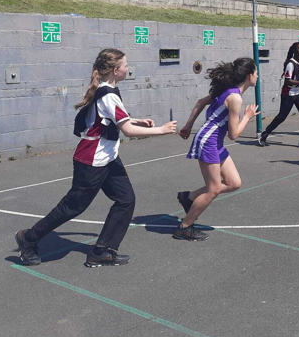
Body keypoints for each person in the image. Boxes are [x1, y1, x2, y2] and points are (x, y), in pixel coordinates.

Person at [15, 48, 178, 267]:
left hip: (108, 158)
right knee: (73, 207)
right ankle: (28, 238)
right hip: (92, 160)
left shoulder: (106, 89)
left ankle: (101, 251)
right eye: (126, 65)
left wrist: (135, 120)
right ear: (115, 70)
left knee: (126, 200)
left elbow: (105, 118)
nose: (128, 68)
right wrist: (161, 130)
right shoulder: (108, 94)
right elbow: (127, 130)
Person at [175, 58, 259, 241]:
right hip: (208, 142)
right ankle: (184, 226)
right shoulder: (235, 97)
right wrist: (247, 116)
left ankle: (189, 198)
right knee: (213, 189)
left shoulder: (228, 90)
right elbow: (233, 134)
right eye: (256, 72)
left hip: (214, 142)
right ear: (249, 75)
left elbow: (200, 102)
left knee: (234, 183)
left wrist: (189, 125)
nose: (257, 76)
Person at [258, 42, 299, 147]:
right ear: (294, 51)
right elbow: (287, 81)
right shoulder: (290, 64)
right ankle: (264, 135)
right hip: (288, 93)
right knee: (281, 117)